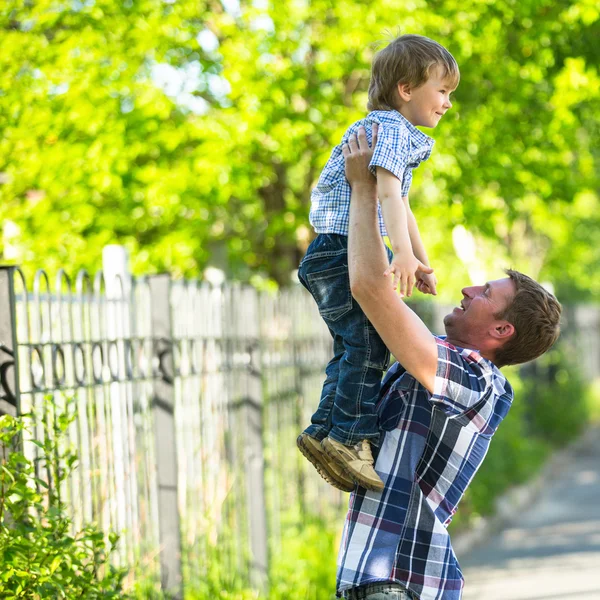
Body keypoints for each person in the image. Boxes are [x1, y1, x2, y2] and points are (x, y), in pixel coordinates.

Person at [311, 126, 562, 600]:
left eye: (485, 293)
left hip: (398, 579)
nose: (469, 289)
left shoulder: (476, 381)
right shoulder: (440, 361)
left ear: (501, 331)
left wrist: (365, 189)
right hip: (378, 578)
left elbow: (370, 289)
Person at [297, 34, 460, 491]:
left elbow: (403, 203)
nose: (447, 103)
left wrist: (419, 259)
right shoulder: (387, 130)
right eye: (442, 90)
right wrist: (402, 255)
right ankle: (348, 440)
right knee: (368, 346)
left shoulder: (395, 132)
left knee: (354, 345)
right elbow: (386, 193)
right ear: (406, 89)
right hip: (339, 249)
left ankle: (324, 431)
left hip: (335, 248)